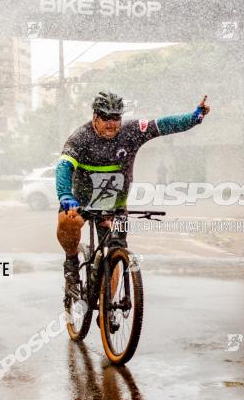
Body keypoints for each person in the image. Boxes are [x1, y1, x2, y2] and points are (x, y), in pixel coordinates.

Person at [55, 92, 210, 287]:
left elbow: (163, 125)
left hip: (114, 206)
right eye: (106, 118)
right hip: (81, 201)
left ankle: (106, 315)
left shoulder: (131, 131)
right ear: (95, 117)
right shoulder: (80, 138)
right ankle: (71, 260)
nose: (112, 124)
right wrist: (65, 195)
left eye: (116, 118)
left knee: (114, 256)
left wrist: (194, 118)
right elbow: (63, 166)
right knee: (67, 221)